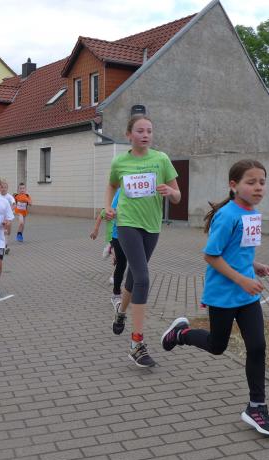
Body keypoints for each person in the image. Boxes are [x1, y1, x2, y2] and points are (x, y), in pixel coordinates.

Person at [161, 159, 269, 436]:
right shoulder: (227, 216)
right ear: (234, 185)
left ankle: (257, 407)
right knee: (217, 346)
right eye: (251, 182)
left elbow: (238, 252)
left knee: (257, 347)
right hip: (223, 295)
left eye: (262, 182)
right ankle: (181, 334)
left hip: (247, 296)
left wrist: (255, 266)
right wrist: (242, 279)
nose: (258, 187)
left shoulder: (253, 213)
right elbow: (211, 256)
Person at [106, 114, 181, 368]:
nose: (145, 135)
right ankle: (136, 344)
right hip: (127, 223)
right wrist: (108, 207)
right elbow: (111, 185)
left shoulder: (161, 159)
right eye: (140, 130)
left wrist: (170, 192)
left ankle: (121, 313)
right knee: (143, 278)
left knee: (134, 276)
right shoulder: (120, 161)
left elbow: (178, 196)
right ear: (129, 135)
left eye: (149, 130)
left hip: (152, 226)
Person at [91, 188, 126, 309]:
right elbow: (100, 217)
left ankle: (113, 275)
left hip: (122, 236)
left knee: (119, 261)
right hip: (112, 237)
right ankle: (111, 250)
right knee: (118, 259)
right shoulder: (107, 209)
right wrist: (95, 230)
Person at [0, 180, 16, 254]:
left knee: (8, 232)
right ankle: (4, 246)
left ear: (7, 188)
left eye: (5, 187)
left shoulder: (9, 197)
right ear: (0, 188)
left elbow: (14, 205)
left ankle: (5, 244)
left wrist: (10, 210)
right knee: (4, 231)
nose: (3, 189)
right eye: (2, 187)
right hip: (0, 217)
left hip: (8, 217)